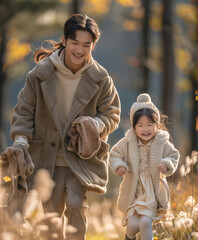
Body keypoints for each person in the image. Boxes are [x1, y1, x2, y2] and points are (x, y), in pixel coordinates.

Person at [7, 13, 121, 240]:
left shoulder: (101, 79)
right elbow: (24, 110)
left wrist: (95, 124)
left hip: (80, 158)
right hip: (46, 159)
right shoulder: (39, 75)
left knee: (77, 205)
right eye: (75, 43)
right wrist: (21, 139)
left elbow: (112, 114)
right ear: (65, 40)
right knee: (51, 216)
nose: (80, 50)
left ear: (93, 46)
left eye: (86, 45)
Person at [109, 93, 179, 240]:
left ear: (156, 125)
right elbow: (114, 154)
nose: (145, 129)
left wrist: (166, 164)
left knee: (145, 222)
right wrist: (119, 165)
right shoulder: (128, 142)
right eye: (140, 125)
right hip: (134, 191)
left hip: (152, 192)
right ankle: (129, 237)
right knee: (133, 224)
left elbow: (173, 155)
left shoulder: (161, 142)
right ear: (134, 127)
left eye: (149, 125)